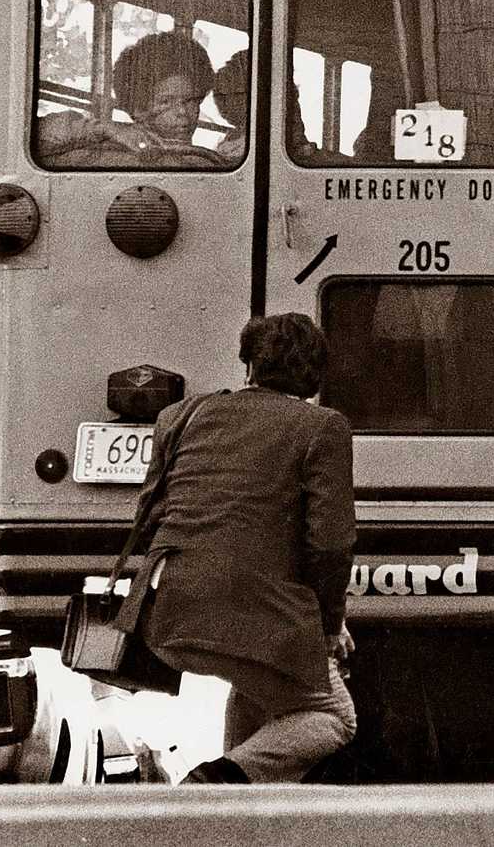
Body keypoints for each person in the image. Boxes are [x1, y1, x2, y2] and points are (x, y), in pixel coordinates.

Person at [132, 313, 357, 784]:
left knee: (260, 688)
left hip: (171, 608)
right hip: (253, 610)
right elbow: (331, 543)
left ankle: (233, 817)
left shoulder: (181, 416)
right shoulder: (323, 427)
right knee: (333, 717)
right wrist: (330, 626)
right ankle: (213, 782)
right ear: (315, 373)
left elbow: (149, 515)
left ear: (248, 363)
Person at [36, 29, 222, 166]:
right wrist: (105, 129)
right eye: (166, 102)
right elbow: (33, 135)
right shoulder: (102, 153)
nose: (182, 112)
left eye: (190, 100)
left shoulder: (206, 163)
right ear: (138, 109)